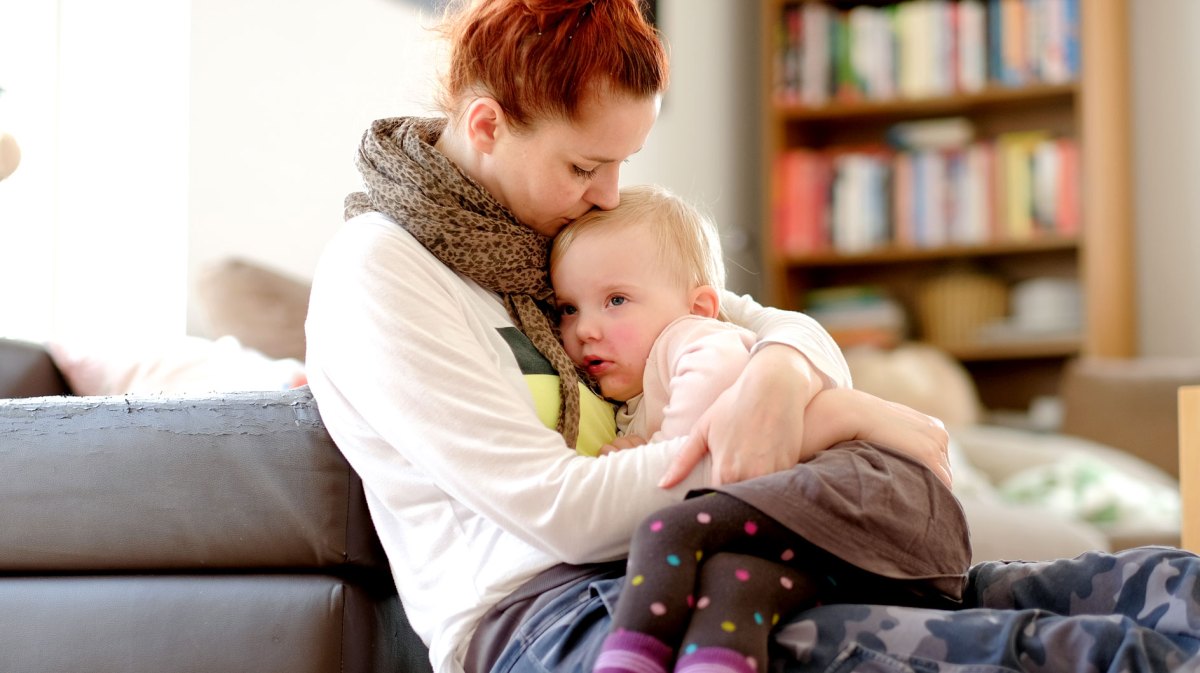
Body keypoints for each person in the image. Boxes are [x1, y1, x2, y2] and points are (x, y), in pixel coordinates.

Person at [304, 1, 1200, 672]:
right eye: (587, 164)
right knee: (1044, 653)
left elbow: (767, 323)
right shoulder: (385, 272)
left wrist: (778, 379)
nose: (611, 192)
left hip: (723, 550)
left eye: (623, 164)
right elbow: (558, 510)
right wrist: (811, 426)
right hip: (560, 612)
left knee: (1124, 585)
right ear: (488, 124)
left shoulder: (555, 236)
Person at [549, 184, 971, 673]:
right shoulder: (636, 381)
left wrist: (658, 447)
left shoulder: (688, 337)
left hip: (871, 488)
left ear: (702, 306)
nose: (585, 329)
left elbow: (716, 380)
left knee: (667, 531)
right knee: (735, 576)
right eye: (568, 309)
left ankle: (630, 660)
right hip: (863, 545)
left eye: (616, 300)